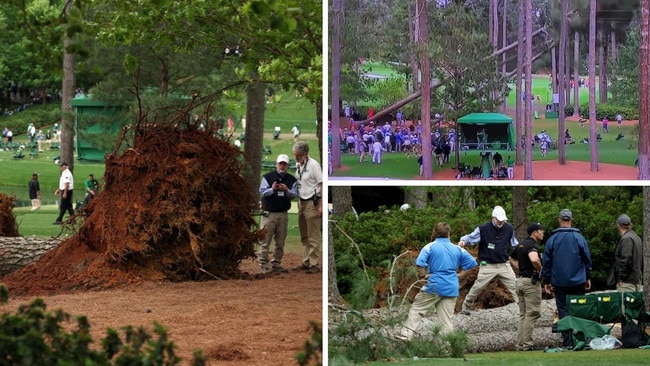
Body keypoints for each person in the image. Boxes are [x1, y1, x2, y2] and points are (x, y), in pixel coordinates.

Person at [395, 222, 477, 340]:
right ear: (449, 234)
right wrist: (460, 275)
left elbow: (419, 264)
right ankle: (446, 347)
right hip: (451, 286)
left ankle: (405, 336)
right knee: (446, 320)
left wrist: (423, 277)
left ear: (435, 233)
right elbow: (472, 263)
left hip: (434, 285)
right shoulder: (458, 249)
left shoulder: (430, 247)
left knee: (417, 310)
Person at [540, 209, 592, 349]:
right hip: (578, 280)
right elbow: (587, 259)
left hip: (560, 281)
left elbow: (547, 262)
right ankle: (580, 340)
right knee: (579, 308)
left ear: (559, 220)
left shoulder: (553, 239)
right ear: (571, 220)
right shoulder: (578, 237)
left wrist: (546, 281)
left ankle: (568, 341)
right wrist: (588, 276)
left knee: (563, 310)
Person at [458, 206, 519, 314]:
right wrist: (463, 241)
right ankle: (466, 306)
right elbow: (470, 237)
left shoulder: (509, 228)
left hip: (504, 264)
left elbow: (515, 244)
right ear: (493, 218)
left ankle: (523, 308)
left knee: (516, 286)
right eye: (499, 220)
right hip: (487, 265)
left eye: (503, 220)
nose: (501, 222)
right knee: (478, 287)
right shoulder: (483, 229)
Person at [258, 154, 298, 274]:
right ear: (277, 164)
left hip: (283, 214)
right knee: (265, 240)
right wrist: (273, 189)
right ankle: (263, 263)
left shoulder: (292, 180)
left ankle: (276, 263)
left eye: (284, 164)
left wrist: (286, 190)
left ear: (287, 166)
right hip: (269, 214)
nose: (282, 166)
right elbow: (262, 192)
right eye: (280, 163)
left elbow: (294, 195)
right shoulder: (267, 177)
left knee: (280, 240)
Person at [510, 222, 545, 351]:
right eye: (541, 231)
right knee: (532, 313)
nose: (543, 233)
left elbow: (511, 258)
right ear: (535, 232)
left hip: (520, 281)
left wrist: (521, 268)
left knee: (523, 314)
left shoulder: (521, 244)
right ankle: (527, 345)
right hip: (530, 283)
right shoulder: (532, 245)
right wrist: (541, 271)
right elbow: (534, 259)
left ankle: (520, 344)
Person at [292, 141, 322, 274]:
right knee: (304, 234)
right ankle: (306, 261)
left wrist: (321, 205)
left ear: (305, 154)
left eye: (298, 155)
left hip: (312, 201)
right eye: (295, 155)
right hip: (301, 201)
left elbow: (322, 184)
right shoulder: (298, 165)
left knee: (313, 234)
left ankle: (314, 263)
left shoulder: (314, 165)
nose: (296, 157)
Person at [607, 214, 643, 293]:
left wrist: (620, 278)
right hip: (636, 280)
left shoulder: (626, 239)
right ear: (630, 224)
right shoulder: (636, 237)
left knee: (625, 305)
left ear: (618, 225)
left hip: (627, 282)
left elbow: (625, 260)